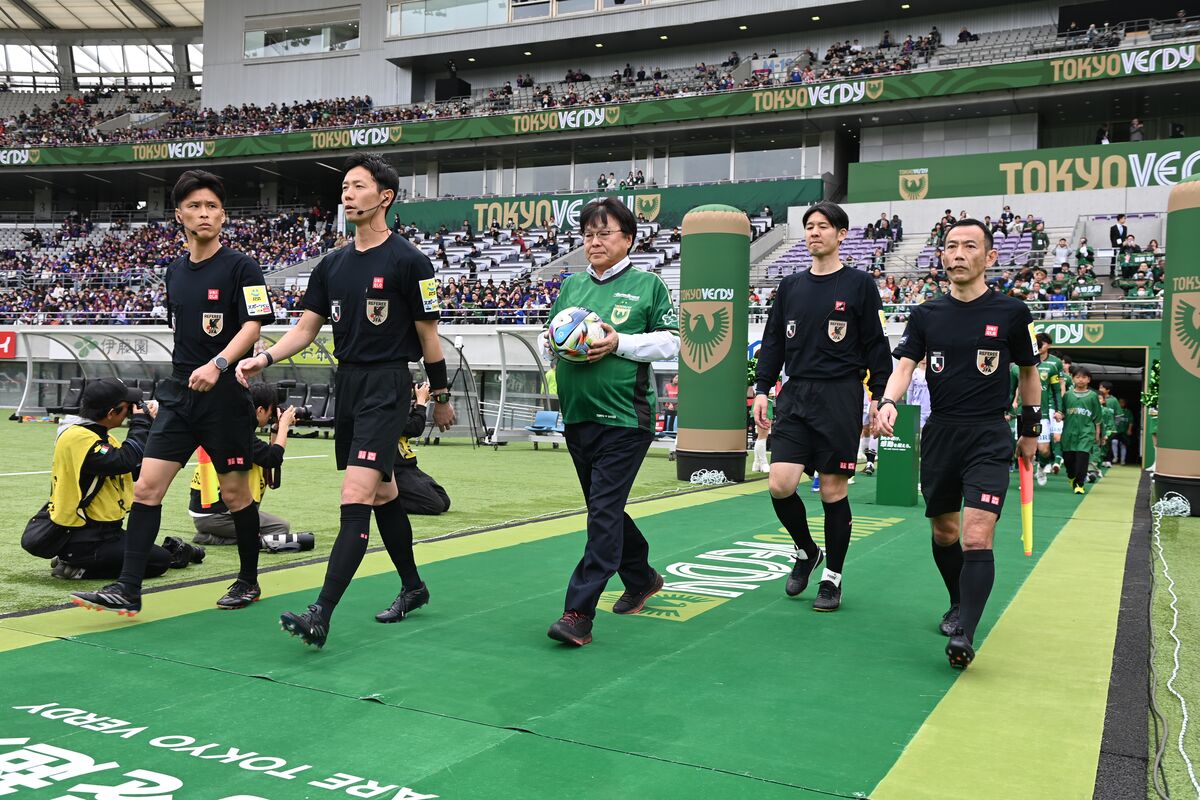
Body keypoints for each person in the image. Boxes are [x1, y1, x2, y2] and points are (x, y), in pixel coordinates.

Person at [237, 153, 455, 649]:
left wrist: (440, 396)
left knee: (356, 495)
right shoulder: (331, 264)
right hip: (350, 384)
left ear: (385, 196)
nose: (348, 194)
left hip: (388, 385)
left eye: (358, 186)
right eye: (344, 188)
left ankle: (321, 612)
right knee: (384, 494)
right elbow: (305, 330)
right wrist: (262, 358)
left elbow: (429, 337)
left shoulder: (411, 261)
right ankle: (414, 586)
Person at [70, 171, 274, 617]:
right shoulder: (174, 271)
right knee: (146, 488)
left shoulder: (243, 267)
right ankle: (128, 588)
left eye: (213, 206)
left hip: (224, 396)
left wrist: (219, 364)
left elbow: (254, 326)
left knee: (235, 495)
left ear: (224, 215)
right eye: (195, 206)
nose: (205, 214)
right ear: (179, 214)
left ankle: (248, 580)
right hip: (180, 395)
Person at [877, 218, 1041, 669]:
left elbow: (1029, 374)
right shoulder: (926, 314)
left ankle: (965, 633)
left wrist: (1030, 431)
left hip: (989, 434)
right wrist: (888, 402)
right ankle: (957, 600)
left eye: (970, 246)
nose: (958, 254)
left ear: (990, 256)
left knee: (976, 534)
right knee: (945, 532)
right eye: (951, 246)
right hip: (941, 434)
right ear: (942, 256)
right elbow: (904, 367)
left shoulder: (1012, 313)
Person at [538, 197, 679, 646]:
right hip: (578, 415)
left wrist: (619, 342)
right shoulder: (572, 286)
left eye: (604, 233)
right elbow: (549, 336)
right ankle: (641, 578)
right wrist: (553, 342)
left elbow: (671, 342)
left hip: (625, 418)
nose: (594, 242)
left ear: (629, 239)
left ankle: (578, 613)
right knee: (605, 509)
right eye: (588, 235)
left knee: (601, 512)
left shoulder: (648, 285)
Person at [753, 201, 893, 612]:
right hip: (796, 393)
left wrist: (879, 395)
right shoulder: (790, 286)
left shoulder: (860, 285)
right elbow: (773, 341)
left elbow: (876, 344)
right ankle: (806, 551)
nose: (814, 232)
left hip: (840, 395)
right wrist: (762, 389)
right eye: (809, 226)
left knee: (832, 490)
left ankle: (832, 577)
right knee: (780, 484)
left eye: (823, 226)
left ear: (841, 234)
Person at [44, 379, 200, 581]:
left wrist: (154, 424)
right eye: (127, 407)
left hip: (103, 533)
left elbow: (134, 468)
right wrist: (140, 421)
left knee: (147, 550)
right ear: (111, 413)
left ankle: (76, 559)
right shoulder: (77, 437)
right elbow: (123, 461)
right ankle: (78, 567)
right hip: (85, 536)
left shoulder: (96, 436)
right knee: (158, 561)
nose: (131, 411)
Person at [188, 382, 305, 546]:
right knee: (279, 527)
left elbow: (267, 459)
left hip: (206, 512)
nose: (271, 416)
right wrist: (284, 426)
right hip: (218, 516)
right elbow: (273, 458)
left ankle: (216, 534)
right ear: (260, 410)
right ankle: (215, 537)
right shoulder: (241, 433)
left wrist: (276, 429)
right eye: (270, 412)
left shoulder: (230, 425)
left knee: (262, 523)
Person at [393, 382, 451, 515]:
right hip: (396, 471)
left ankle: (388, 498)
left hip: (409, 467)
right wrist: (420, 403)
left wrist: (418, 404)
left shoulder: (396, 407)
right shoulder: (384, 408)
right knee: (434, 506)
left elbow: (407, 424)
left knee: (444, 501)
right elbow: (414, 428)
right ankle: (382, 502)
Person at [1061, 366, 1103, 494]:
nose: (1080, 380)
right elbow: (1062, 412)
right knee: (1068, 460)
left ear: (1089, 380)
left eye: (1084, 377)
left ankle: (1079, 484)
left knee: (1082, 458)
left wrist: (1097, 434)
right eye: (1077, 377)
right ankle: (1071, 477)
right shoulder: (1067, 395)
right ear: (1073, 378)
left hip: (1086, 432)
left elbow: (1097, 416)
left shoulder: (1093, 396)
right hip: (1069, 433)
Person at [1033, 333, 1065, 485]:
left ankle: (1044, 465)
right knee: (1037, 449)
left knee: (1048, 447)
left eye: (1043, 343)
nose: (1040, 346)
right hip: (1030, 409)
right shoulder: (1027, 361)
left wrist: (1059, 409)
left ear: (1049, 345)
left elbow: (1058, 387)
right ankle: (1036, 470)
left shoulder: (1055, 363)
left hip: (1048, 409)